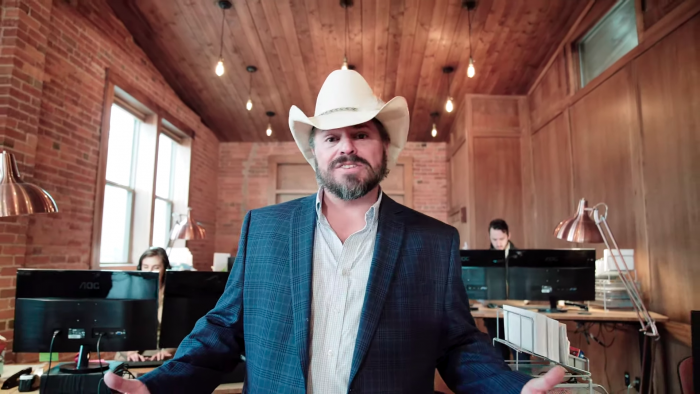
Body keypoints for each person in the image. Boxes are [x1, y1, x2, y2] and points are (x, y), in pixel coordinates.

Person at [105, 70, 564, 393]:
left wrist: (513, 389)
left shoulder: (435, 242)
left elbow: (460, 345)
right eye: (332, 137)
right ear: (315, 152)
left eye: (361, 133)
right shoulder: (263, 230)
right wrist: (157, 387)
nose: (347, 146)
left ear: (384, 147)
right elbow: (224, 330)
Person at [119, 247, 176, 362]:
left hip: (162, 353)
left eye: (156, 267)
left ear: (165, 269)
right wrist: (129, 352)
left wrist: (168, 351)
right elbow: (118, 331)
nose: (150, 271)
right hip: (131, 351)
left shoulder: (174, 294)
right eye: (146, 267)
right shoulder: (128, 292)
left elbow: (183, 330)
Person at [484, 219, 519, 361]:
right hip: (494, 312)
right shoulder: (485, 257)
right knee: (499, 355)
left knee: (520, 355)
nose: (498, 243)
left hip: (516, 310)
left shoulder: (520, 256)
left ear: (509, 236)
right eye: (494, 239)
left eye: (501, 239)